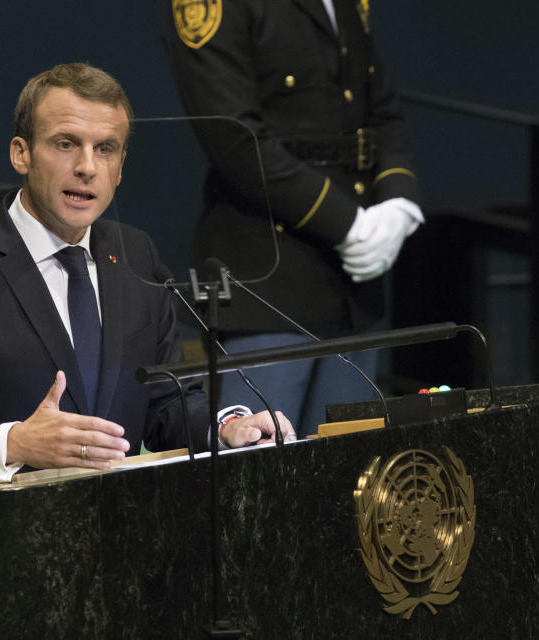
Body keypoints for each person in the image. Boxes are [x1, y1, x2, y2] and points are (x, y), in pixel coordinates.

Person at [0, 62, 293, 492]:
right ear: (22, 153)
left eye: (105, 148)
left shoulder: (136, 254)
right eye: (66, 144)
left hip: (125, 535)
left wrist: (226, 428)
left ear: (121, 166)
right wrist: (14, 444)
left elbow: (165, 404)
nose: (87, 167)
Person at [161, 0, 425, 436]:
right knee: (259, 474)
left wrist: (399, 201)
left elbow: (381, 111)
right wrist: (348, 225)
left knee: (353, 479)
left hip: (353, 288)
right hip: (268, 278)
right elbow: (234, 138)